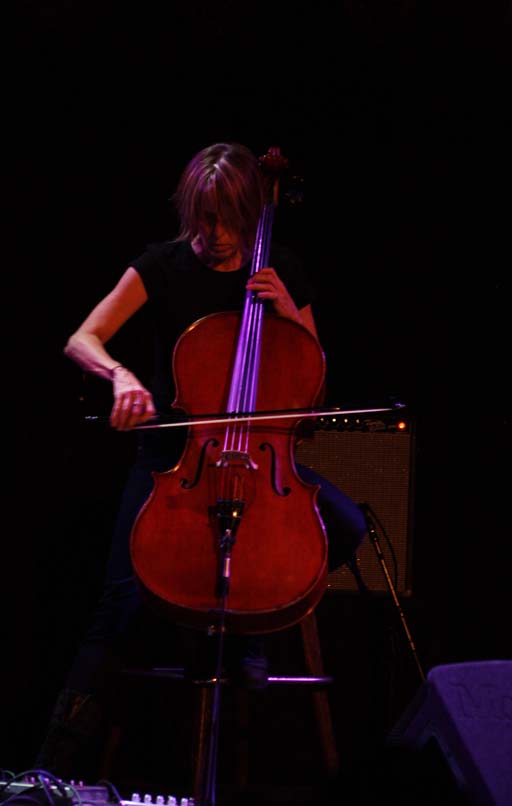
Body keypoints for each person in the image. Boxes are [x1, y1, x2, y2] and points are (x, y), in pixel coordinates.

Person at [34, 142, 367, 781]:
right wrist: (121, 376)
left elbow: (313, 390)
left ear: (248, 215)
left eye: (227, 219)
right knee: (120, 599)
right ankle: (52, 768)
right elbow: (84, 337)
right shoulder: (160, 266)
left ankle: (247, 630)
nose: (213, 235)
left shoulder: (281, 270)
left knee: (345, 527)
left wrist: (289, 312)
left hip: (261, 460)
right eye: (202, 217)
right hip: (174, 456)